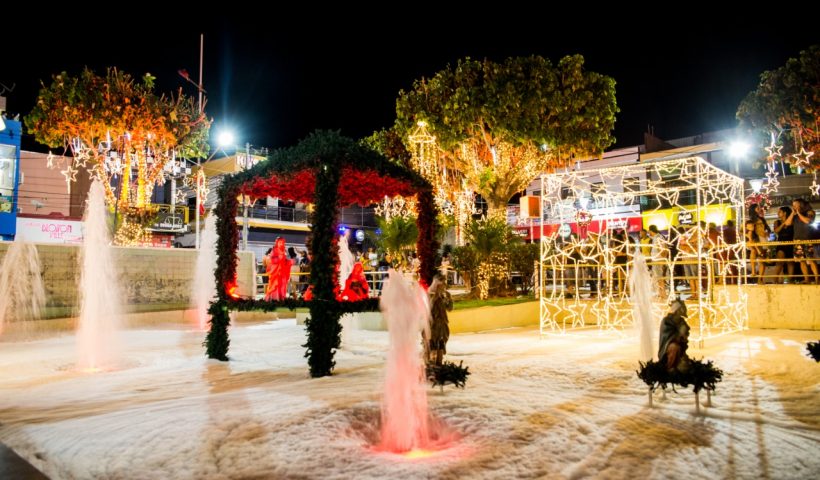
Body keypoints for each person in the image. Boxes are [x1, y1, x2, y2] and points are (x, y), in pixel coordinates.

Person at [658, 298, 691, 372]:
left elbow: (686, 330)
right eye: (681, 308)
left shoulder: (681, 321)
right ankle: (670, 366)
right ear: (677, 310)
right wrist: (678, 333)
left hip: (680, 342)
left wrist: (684, 332)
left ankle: (679, 365)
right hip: (668, 344)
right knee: (674, 348)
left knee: (679, 348)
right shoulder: (666, 320)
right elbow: (666, 333)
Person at [427, 274, 453, 366]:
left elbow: (449, 309)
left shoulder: (444, 295)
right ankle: (432, 365)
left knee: (441, 344)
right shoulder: (430, 293)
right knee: (433, 345)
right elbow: (429, 308)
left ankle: (439, 364)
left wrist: (450, 299)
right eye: (443, 283)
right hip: (433, 325)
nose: (444, 285)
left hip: (442, 324)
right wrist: (436, 297)